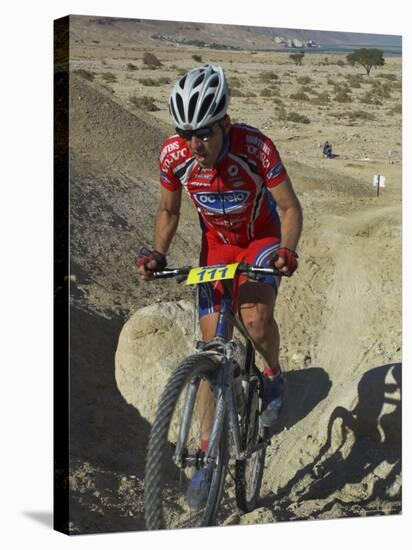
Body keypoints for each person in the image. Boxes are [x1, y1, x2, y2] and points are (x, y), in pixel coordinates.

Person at [136, 64, 303, 508]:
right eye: (186, 133)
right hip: (217, 248)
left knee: (254, 318)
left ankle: (272, 376)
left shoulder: (256, 147)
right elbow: (168, 212)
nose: (196, 144)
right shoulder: (175, 157)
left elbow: (289, 208)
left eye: (205, 133)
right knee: (212, 351)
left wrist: (286, 250)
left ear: (225, 123)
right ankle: (208, 460)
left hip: (261, 238)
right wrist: (158, 253)